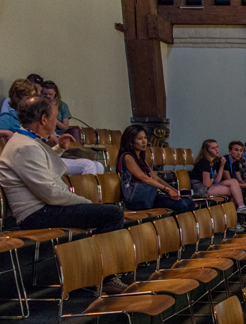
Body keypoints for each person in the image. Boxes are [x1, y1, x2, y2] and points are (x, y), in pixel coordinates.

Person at [0, 96, 124, 235]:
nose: (57, 121)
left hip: (44, 208)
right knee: (113, 215)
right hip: (36, 214)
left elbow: (40, 164)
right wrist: (86, 203)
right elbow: (50, 193)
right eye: (55, 116)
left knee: (105, 213)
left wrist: (59, 148)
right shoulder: (25, 147)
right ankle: (96, 254)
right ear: (44, 119)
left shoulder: (25, 140)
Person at [117, 125, 195, 213]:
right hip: (139, 198)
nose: (144, 142)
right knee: (181, 205)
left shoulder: (141, 159)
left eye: (145, 138)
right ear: (130, 142)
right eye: (139, 139)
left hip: (151, 195)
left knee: (189, 202)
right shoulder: (127, 157)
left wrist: (175, 191)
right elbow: (144, 178)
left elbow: (156, 178)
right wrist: (167, 190)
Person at [189, 139, 246, 214]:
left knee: (234, 181)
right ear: (207, 150)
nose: (217, 150)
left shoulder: (212, 162)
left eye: (217, 147)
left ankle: (240, 208)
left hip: (209, 187)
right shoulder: (204, 162)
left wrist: (222, 166)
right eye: (213, 148)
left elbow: (217, 180)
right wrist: (212, 179)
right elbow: (206, 184)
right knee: (233, 192)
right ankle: (233, 215)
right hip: (201, 190)